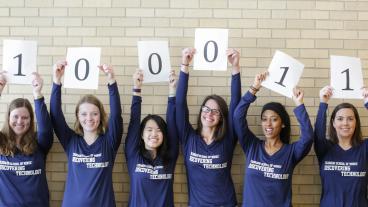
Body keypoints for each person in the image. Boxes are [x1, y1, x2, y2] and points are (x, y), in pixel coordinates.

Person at [233, 72, 313, 206]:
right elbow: (237, 117)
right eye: (264, 119)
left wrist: (299, 104)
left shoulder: (291, 152)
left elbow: (308, 137)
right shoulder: (252, 146)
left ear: (282, 124)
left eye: (274, 119)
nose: (268, 124)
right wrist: (254, 88)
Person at [50, 61, 123, 207]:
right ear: (78, 116)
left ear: (101, 116)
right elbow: (56, 115)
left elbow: (116, 115)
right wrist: (56, 81)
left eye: (94, 114)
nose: (89, 118)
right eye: (84, 114)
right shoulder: (71, 141)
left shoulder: (109, 142)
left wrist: (111, 80)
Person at [176, 48, 241, 206]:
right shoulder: (189, 137)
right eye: (205, 109)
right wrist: (185, 65)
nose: (209, 114)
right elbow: (179, 104)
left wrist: (235, 68)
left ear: (221, 118)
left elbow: (236, 105)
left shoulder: (228, 139)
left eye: (215, 111)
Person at [125, 70, 179, 206]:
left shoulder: (170, 155)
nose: (154, 134)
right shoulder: (133, 154)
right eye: (149, 130)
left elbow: (172, 122)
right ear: (142, 135)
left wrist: (172, 90)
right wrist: (136, 89)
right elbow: (134, 121)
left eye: (159, 130)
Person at [0, 72, 53, 206]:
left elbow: (46, 127)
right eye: (15, 116)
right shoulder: (1, 141)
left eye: (25, 117)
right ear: (8, 118)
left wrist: (37, 93)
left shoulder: (39, 143)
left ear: (31, 120)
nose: (20, 121)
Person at [314, 86, 368, 207]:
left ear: (356, 123)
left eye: (350, 119)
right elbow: (318, 134)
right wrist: (323, 103)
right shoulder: (325, 148)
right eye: (340, 119)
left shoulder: (364, 148)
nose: (345, 123)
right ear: (333, 123)